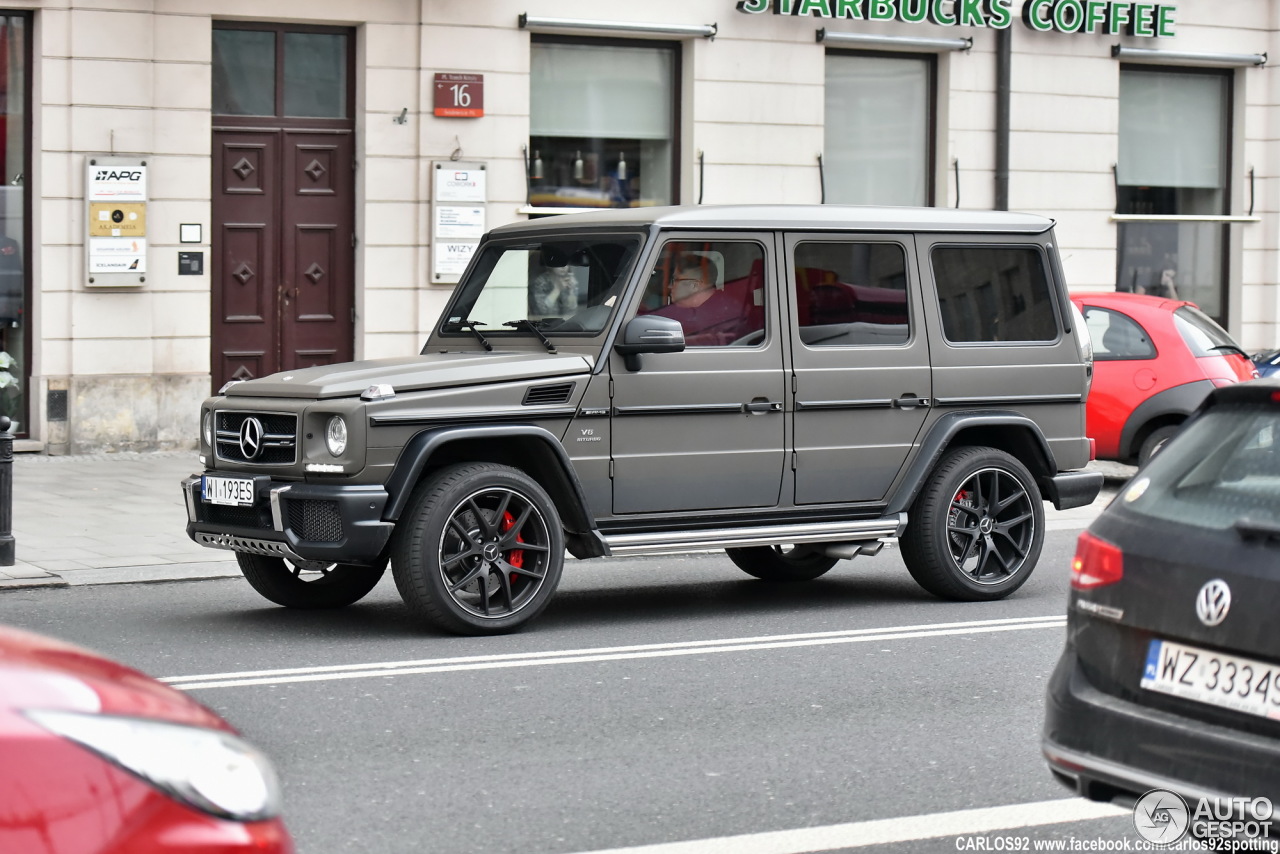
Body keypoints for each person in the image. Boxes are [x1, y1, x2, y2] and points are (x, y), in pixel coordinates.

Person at [651, 252, 754, 345]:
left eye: (675, 280)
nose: (669, 286)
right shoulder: (716, 309)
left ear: (694, 285)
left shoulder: (722, 316)